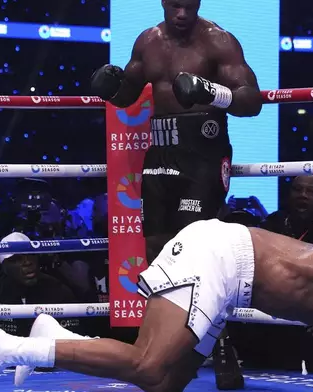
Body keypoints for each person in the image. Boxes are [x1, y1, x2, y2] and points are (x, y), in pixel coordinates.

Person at [0, 219, 313, 392]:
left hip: (230, 283)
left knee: (160, 382)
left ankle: (53, 337)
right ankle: (4, 347)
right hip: (222, 255)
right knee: (150, 362)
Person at [91, 0, 262, 387]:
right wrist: (109, 87)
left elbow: (252, 101)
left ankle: (220, 346)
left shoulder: (219, 41)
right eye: (176, 4)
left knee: (198, 249)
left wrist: (210, 91)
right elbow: (126, 94)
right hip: (160, 149)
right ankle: (157, 344)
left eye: (190, 4)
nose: (183, 12)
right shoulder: (147, 41)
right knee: (155, 248)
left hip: (203, 150)